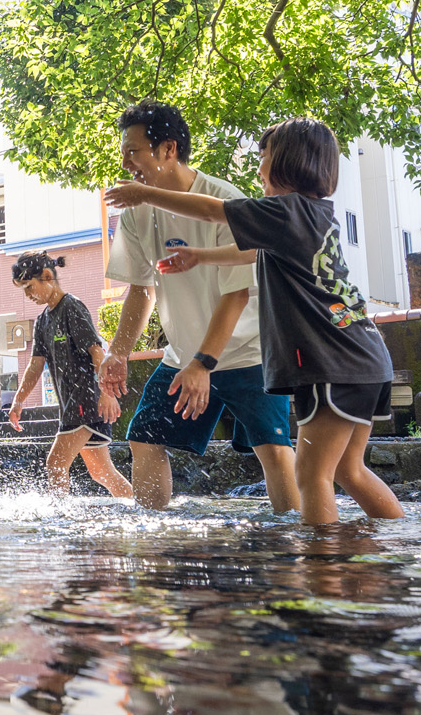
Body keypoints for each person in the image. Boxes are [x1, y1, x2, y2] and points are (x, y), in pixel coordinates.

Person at [104, 117, 405, 526]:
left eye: (264, 157)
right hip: (364, 356)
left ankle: (321, 558)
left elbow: (211, 211)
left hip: (333, 362)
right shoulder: (313, 214)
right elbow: (252, 252)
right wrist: (201, 257)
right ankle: (399, 538)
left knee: (311, 473)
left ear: (288, 162)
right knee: (348, 471)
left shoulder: (283, 210)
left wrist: (144, 194)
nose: (258, 167)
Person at [99, 101, 300, 514]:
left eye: (133, 151)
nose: (126, 163)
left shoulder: (224, 200)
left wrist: (203, 364)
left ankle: (302, 539)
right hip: (183, 356)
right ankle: (154, 531)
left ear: (168, 149)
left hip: (248, 351)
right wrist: (118, 352)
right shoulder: (137, 214)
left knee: (273, 449)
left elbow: (237, 294)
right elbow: (141, 288)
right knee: (144, 437)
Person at [4, 252, 135, 498]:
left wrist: (107, 393)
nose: (28, 295)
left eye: (29, 286)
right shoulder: (43, 321)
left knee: (56, 463)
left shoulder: (71, 307)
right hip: (71, 405)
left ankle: (60, 515)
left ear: (47, 276)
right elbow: (35, 366)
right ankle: (139, 507)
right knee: (101, 472)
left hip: (86, 400)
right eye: (23, 289)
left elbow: (97, 352)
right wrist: (18, 400)